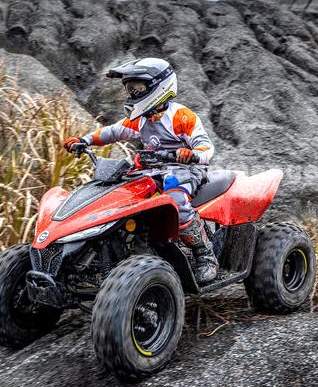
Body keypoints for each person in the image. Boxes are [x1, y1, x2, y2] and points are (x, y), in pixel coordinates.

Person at [64, 57, 218, 283]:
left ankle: (205, 255)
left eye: (138, 88)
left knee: (176, 200)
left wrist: (192, 154)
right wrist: (84, 140)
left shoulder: (181, 116)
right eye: (129, 88)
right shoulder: (141, 119)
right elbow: (113, 132)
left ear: (159, 87)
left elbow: (206, 146)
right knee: (120, 194)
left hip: (185, 169)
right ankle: (131, 246)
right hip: (153, 169)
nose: (132, 93)